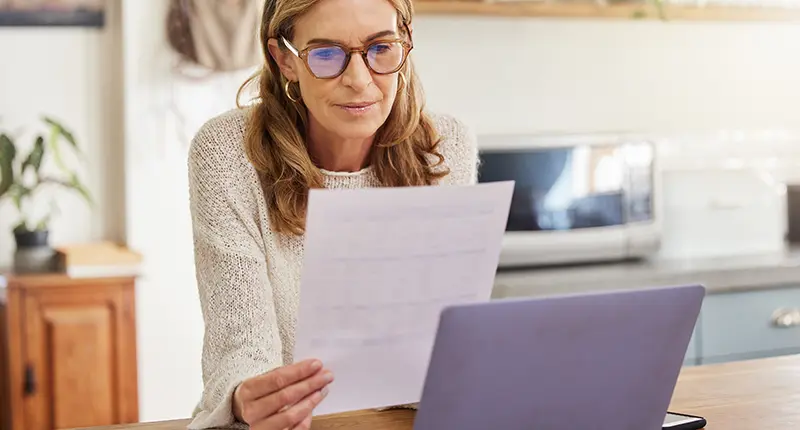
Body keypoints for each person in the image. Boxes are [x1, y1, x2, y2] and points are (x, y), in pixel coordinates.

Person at [186, 0, 478, 427]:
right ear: (284, 59)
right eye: (326, 54)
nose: (359, 81)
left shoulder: (446, 145)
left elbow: (443, 349)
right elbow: (241, 351)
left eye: (381, 48)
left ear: (405, 42)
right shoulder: (228, 153)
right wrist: (248, 397)